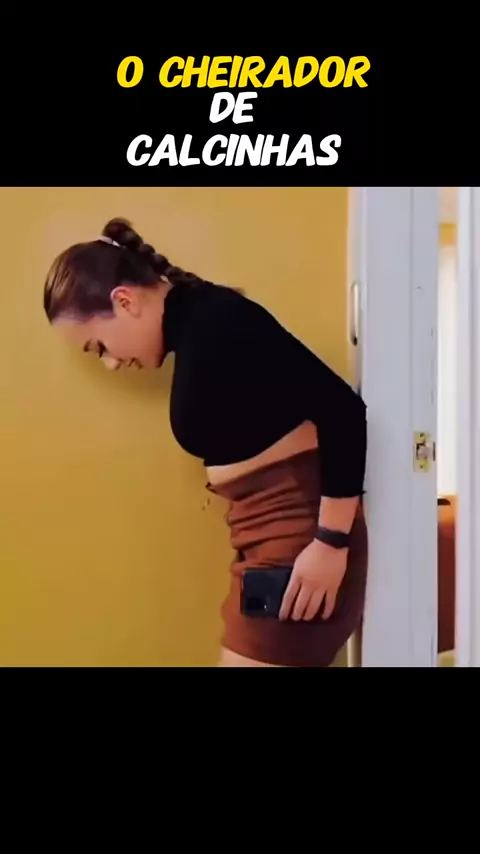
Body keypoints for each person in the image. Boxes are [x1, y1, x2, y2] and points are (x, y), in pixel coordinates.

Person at [43, 218, 368, 668]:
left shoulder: (217, 320)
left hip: (300, 549)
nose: (111, 363)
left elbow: (343, 412)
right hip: (268, 547)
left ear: (125, 301)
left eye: (98, 347)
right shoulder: (200, 321)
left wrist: (331, 543)